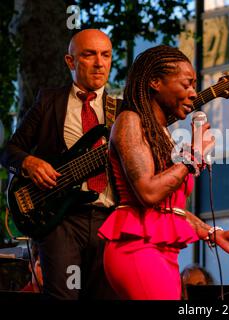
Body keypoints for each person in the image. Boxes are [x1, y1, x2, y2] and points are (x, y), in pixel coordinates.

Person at [97, 45, 229, 300]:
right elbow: (148, 192)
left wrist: (212, 233)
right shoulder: (130, 120)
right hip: (136, 249)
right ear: (155, 82)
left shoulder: (161, 134)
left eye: (194, 86)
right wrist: (192, 157)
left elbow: (169, 209)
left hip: (161, 251)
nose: (192, 94)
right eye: (186, 84)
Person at [1, 29, 120, 299]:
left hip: (109, 219)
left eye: (106, 55)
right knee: (64, 296)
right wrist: (29, 163)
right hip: (61, 220)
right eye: (89, 55)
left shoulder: (122, 110)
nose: (100, 63)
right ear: (70, 61)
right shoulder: (49, 101)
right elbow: (9, 151)